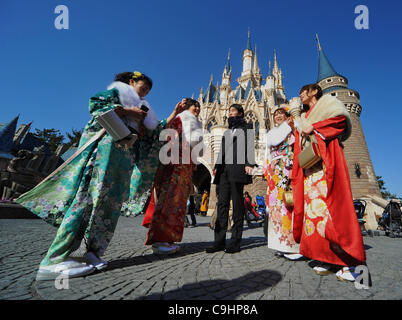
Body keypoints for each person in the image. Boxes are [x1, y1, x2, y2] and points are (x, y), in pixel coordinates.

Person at [16, 71, 182, 280]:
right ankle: (55, 258)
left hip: (122, 162)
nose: (146, 92)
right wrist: (127, 110)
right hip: (103, 155)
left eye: (149, 90)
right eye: (143, 87)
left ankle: (93, 252)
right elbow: (96, 106)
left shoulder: (144, 111)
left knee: (109, 208)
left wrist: (174, 112)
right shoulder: (116, 94)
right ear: (131, 82)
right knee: (86, 201)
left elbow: (154, 133)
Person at [291, 83, 367, 282]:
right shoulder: (306, 114)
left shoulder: (329, 104)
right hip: (311, 172)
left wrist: (310, 126)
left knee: (332, 212)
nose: (300, 95)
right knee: (315, 215)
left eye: (303, 91)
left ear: (315, 91)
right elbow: (301, 138)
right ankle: (325, 257)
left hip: (326, 166)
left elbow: (338, 122)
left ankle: (350, 262)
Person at [144, 98, 204, 254]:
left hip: (184, 168)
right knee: (169, 201)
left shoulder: (194, 125)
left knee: (178, 205)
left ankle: (168, 238)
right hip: (174, 166)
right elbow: (166, 138)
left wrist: (193, 161)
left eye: (198, 106)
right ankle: (159, 240)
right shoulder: (179, 120)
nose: (197, 109)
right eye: (194, 106)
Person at [206, 104, 256, 254]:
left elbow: (250, 147)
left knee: (238, 207)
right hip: (223, 171)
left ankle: (235, 242)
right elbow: (222, 151)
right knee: (221, 206)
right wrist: (216, 166)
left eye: (233, 111)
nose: (230, 113)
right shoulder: (228, 132)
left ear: (240, 114)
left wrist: (249, 163)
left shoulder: (247, 128)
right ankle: (219, 242)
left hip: (237, 169)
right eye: (229, 111)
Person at [263, 106, 302, 260]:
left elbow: (296, 148)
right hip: (274, 173)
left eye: (281, 114)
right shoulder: (271, 134)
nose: (278, 116)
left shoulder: (291, 129)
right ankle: (279, 244)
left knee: (287, 205)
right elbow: (268, 154)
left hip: (286, 168)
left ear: (287, 116)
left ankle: (292, 246)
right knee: (274, 209)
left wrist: (292, 167)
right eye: (275, 114)